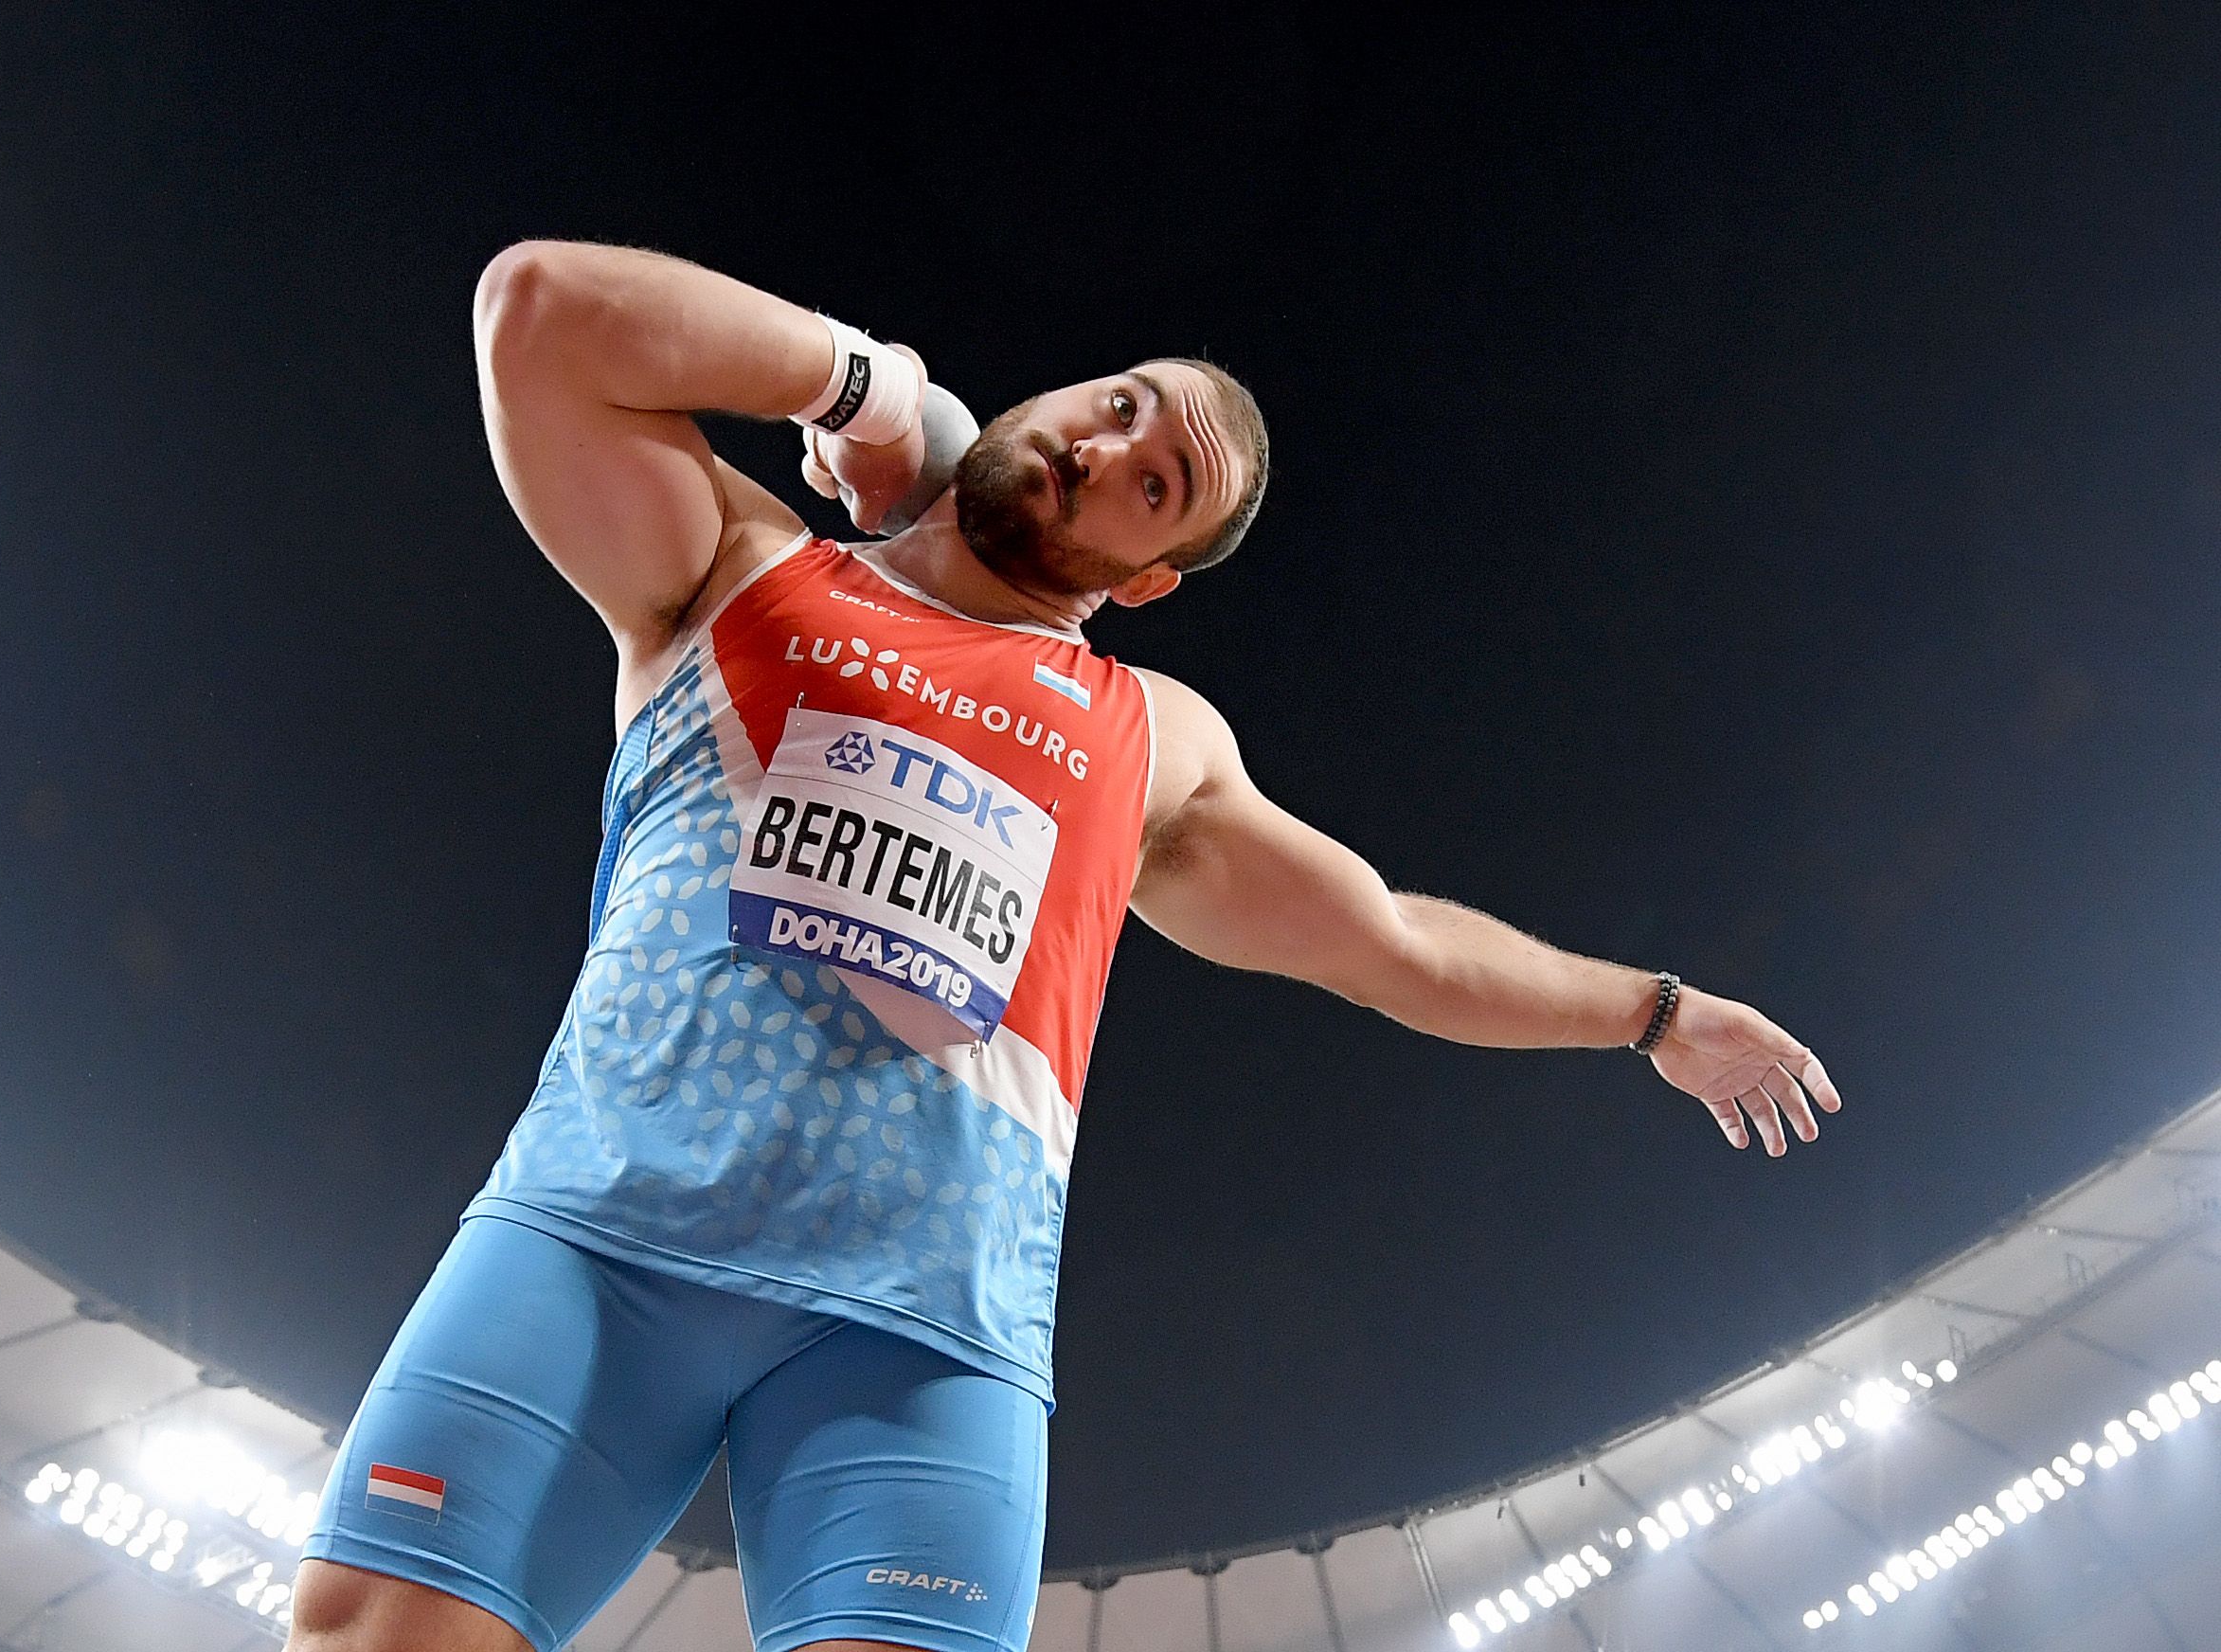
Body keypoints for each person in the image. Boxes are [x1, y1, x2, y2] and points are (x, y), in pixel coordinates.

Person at [287, 242, 1843, 1652]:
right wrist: (867, 380)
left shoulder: (1150, 743)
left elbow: (1394, 946)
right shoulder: (737, 564)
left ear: (1145, 576)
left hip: (918, 1342)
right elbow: (542, 314)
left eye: (1151, 484)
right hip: (599, 1244)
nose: (1103, 451)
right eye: (1116, 408)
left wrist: (1653, 1013)